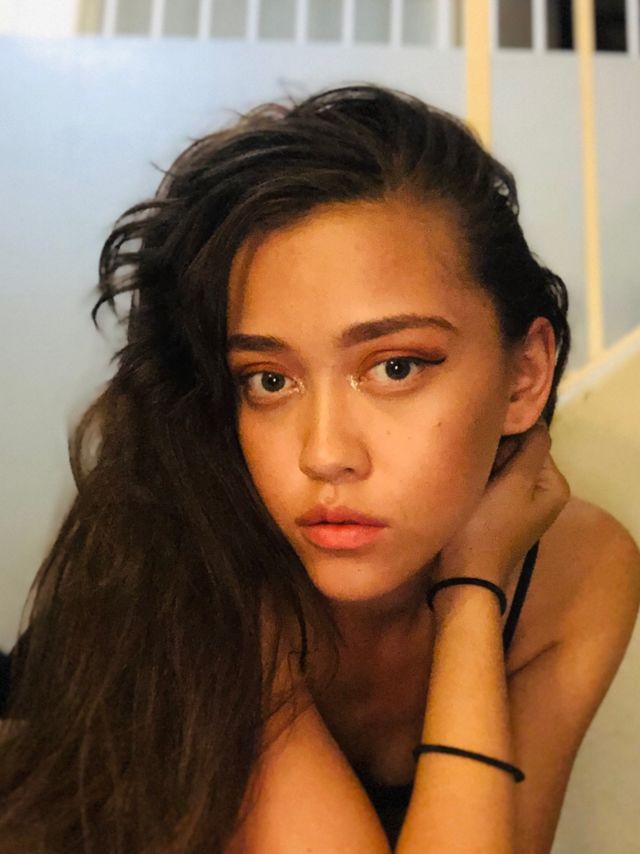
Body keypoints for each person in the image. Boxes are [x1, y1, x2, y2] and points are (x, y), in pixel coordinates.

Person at [0, 84, 638, 853]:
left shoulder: (580, 575)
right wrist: (473, 592)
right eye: (270, 380)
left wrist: (475, 593)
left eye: (395, 367)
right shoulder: (213, 556)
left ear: (525, 375)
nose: (325, 453)